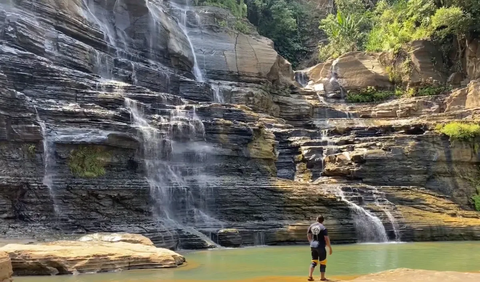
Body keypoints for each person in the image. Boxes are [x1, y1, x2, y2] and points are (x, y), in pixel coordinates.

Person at [307, 215, 332, 281]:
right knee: (323, 262)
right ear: (323, 221)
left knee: (314, 261)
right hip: (320, 246)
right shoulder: (323, 227)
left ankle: (310, 276)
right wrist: (330, 247)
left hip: (313, 245)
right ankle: (322, 278)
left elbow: (308, 235)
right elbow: (326, 238)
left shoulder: (311, 226)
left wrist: (311, 243)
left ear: (316, 219)